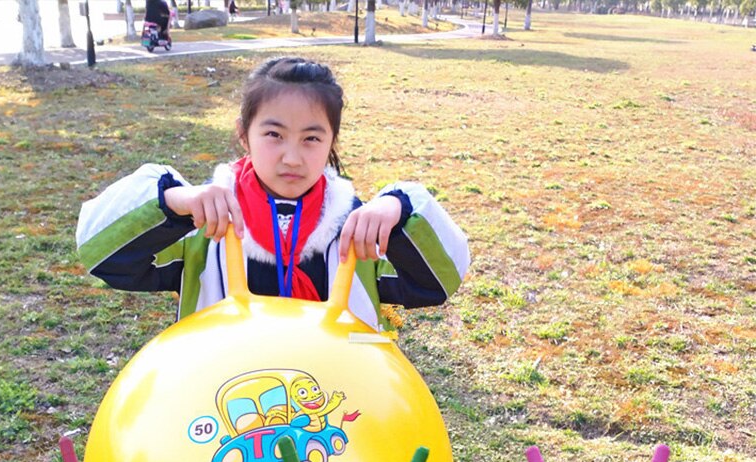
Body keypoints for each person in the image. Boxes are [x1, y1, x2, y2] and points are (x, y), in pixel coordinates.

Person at [76, 57, 469, 331]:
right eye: (273, 135)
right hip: (225, 408)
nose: (292, 158)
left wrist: (400, 208)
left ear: (332, 139)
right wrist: (173, 202)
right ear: (243, 133)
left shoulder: (356, 230)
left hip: (333, 412)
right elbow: (99, 253)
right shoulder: (205, 227)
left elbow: (439, 280)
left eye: (312, 138)